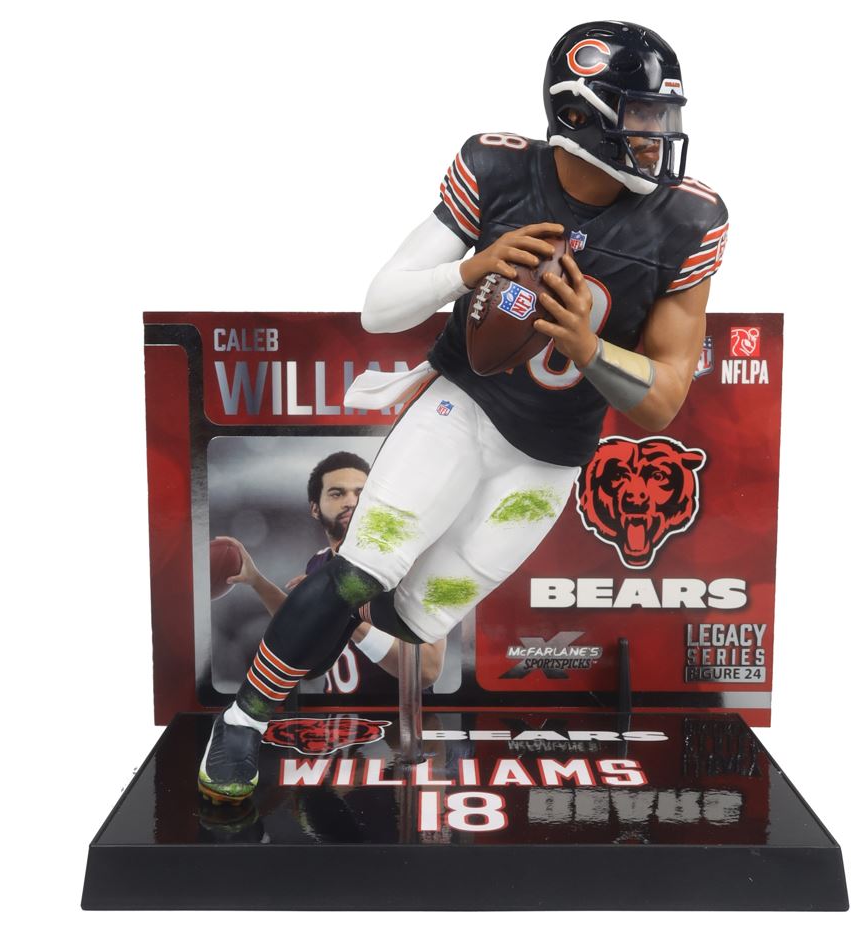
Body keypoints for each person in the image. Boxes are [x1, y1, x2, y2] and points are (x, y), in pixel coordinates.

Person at [199, 20, 728, 804]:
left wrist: (587, 347)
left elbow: (665, 401)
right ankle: (242, 720)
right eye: (641, 115)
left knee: (422, 618)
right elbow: (380, 305)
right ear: (578, 113)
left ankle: (369, 697)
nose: (657, 135)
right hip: (464, 407)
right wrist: (470, 268)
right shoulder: (500, 170)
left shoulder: (688, 220)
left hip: (549, 458)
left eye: (664, 116)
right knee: (358, 573)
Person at [215, 451, 446, 695]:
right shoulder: (318, 563)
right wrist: (257, 581)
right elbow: (300, 633)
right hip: (337, 714)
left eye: (360, 493)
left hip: (393, 715)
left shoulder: (409, 564)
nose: (351, 502)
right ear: (315, 509)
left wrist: (346, 615)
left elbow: (427, 670)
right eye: (337, 494)